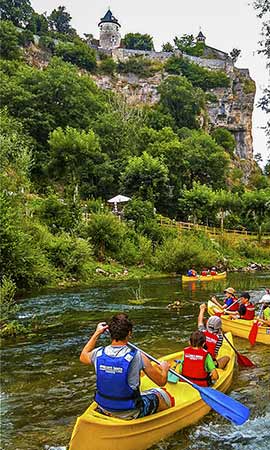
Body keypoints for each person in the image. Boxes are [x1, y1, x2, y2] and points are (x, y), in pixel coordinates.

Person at [79, 313, 174, 419]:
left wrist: (96, 333)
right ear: (129, 333)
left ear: (110, 333)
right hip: (130, 411)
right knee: (161, 396)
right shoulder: (138, 356)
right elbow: (161, 382)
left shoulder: (98, 353)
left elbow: (83, 356)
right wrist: (165, 369)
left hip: (103, 407)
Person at [198, 303, 230, 369]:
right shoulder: (220, 337)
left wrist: (202, 310)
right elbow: (215, 354)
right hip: (211, 363)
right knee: (227, 358)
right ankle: (218, 368)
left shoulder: (202, 332)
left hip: (199, 360)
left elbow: (200, 321)